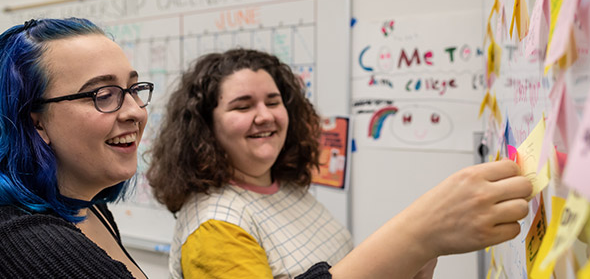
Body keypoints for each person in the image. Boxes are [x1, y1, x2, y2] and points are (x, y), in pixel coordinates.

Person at [146, 48, 533, 279]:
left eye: (274, 101)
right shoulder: (214, 227)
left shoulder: (288, 189)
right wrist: (415, 236)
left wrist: (411, 259)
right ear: (205, 127)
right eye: (242, 106)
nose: (265, 115)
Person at [0, 18, 153, 278]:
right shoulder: (36, 246)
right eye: (103, 95)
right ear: (36, 123)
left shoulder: (88, 209)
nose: (135, 111)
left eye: (134, 89)